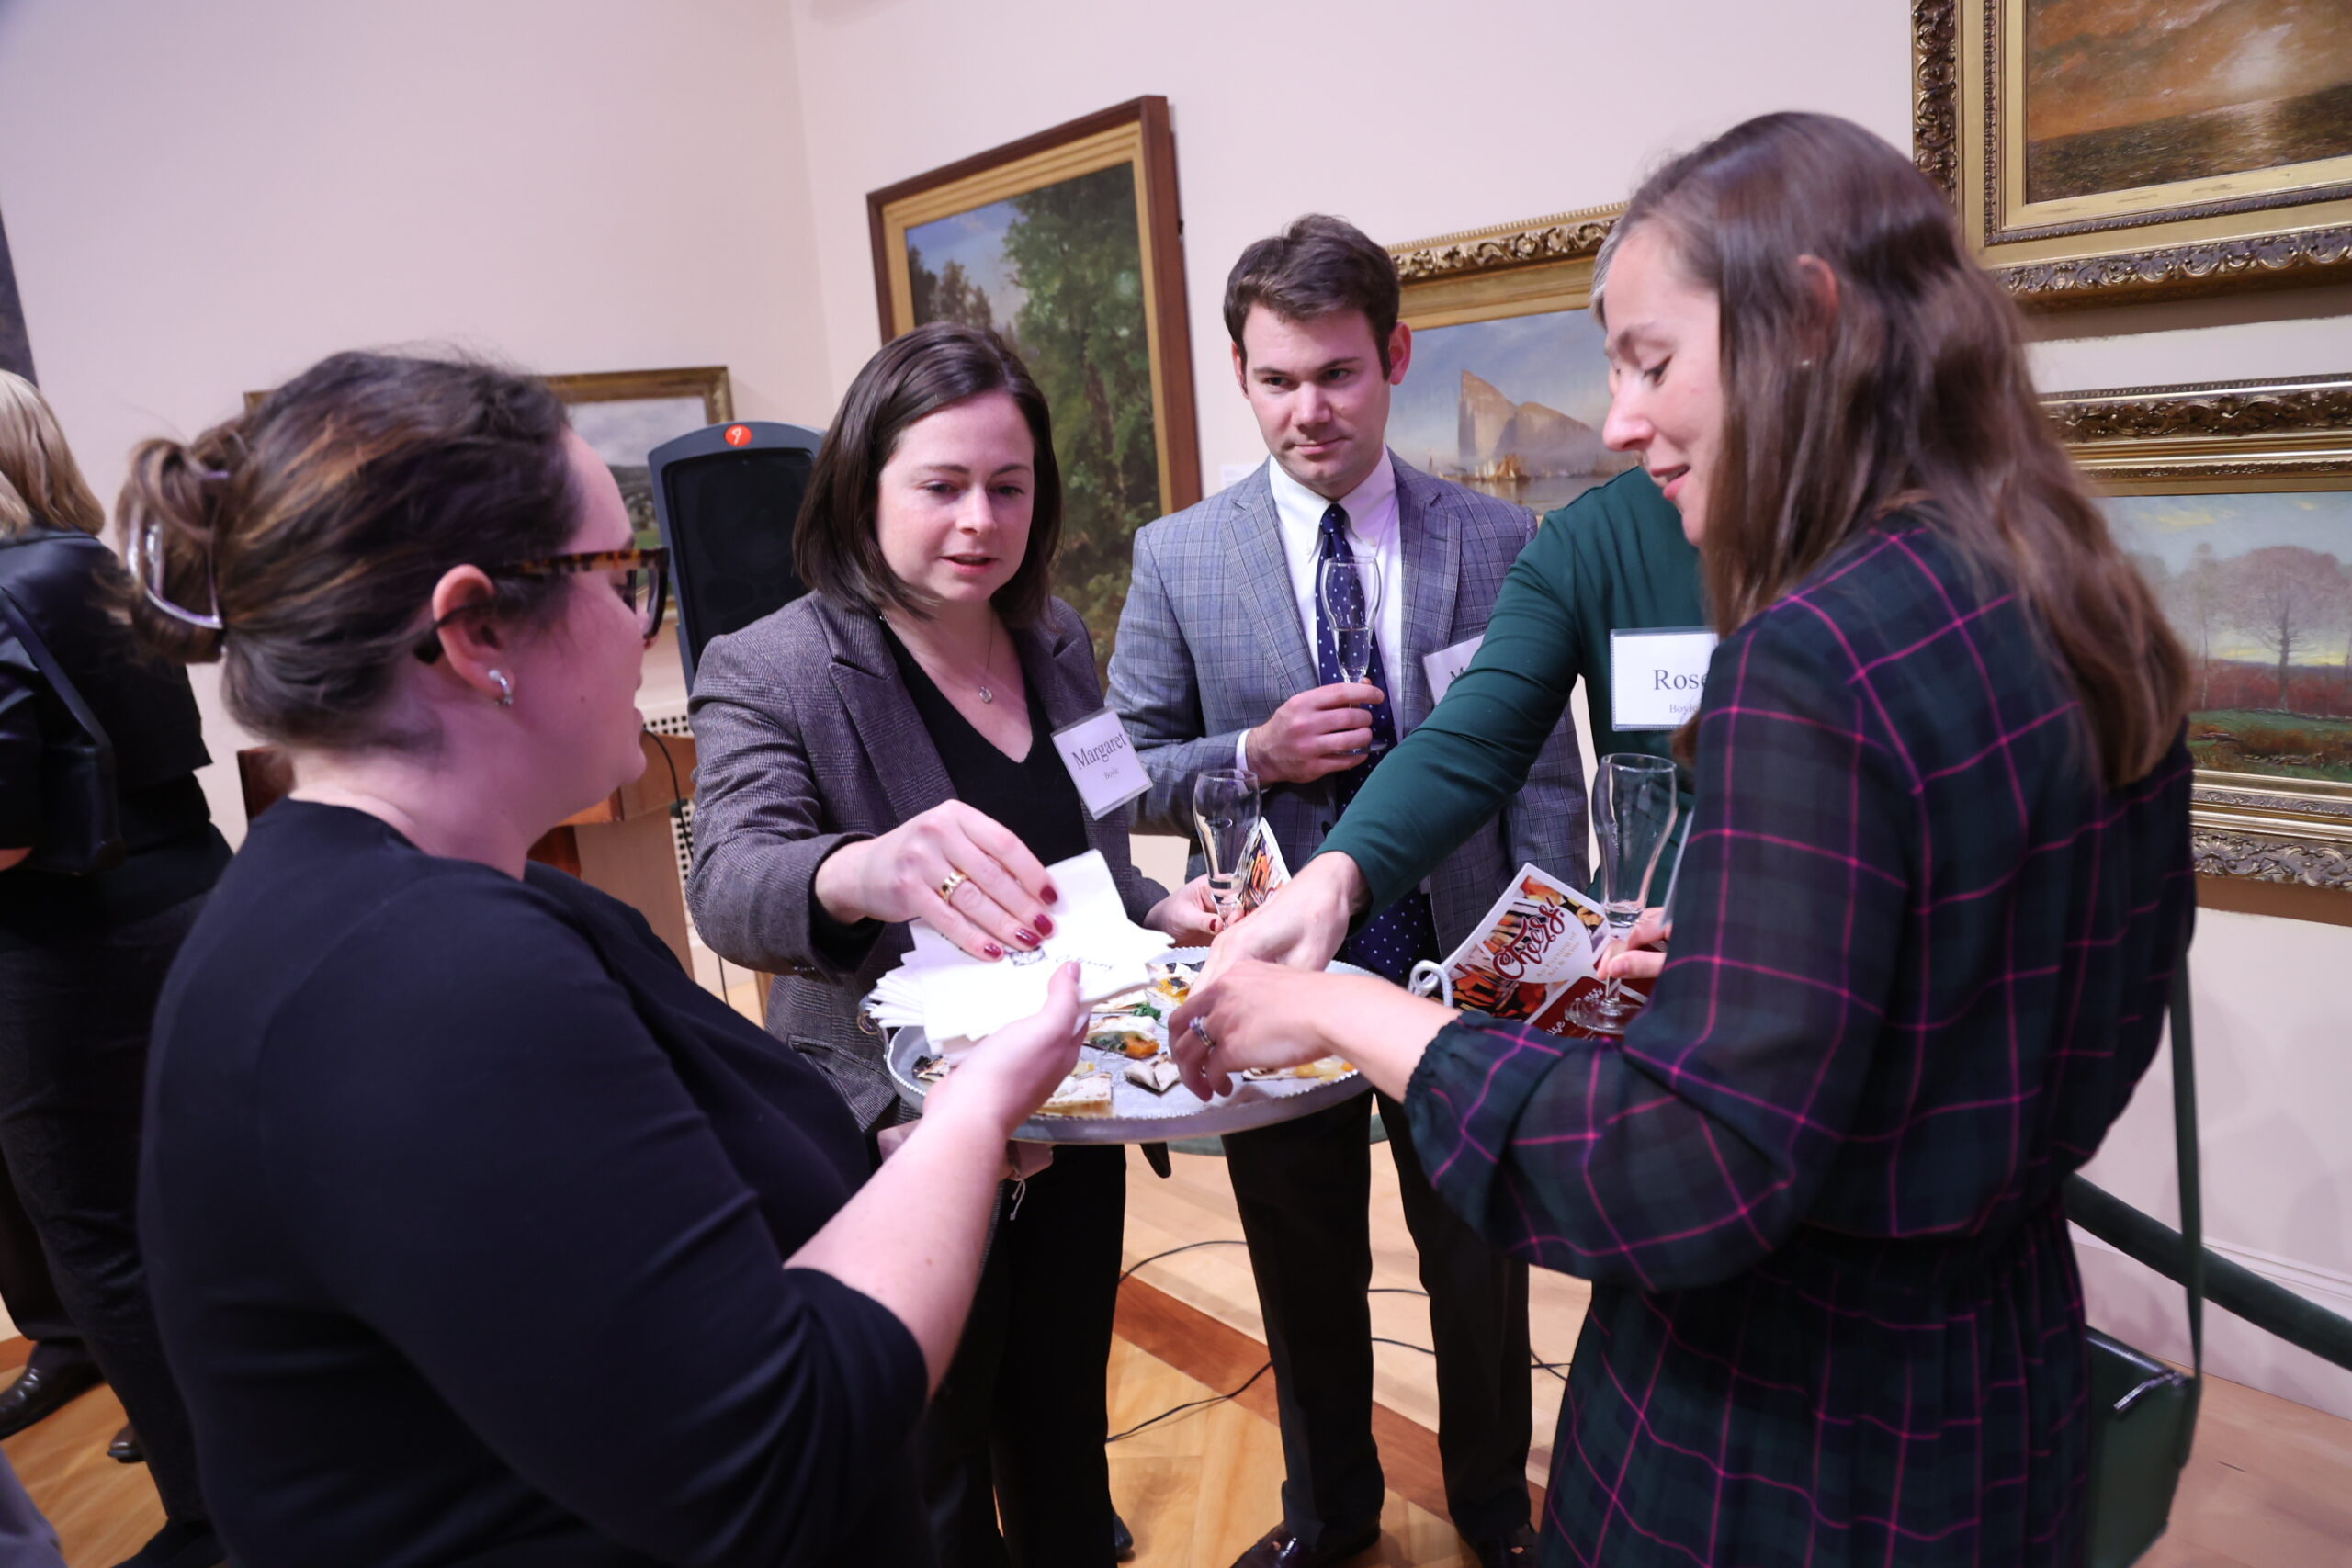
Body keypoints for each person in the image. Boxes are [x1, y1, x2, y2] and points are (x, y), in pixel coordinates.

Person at [1171, 112, 2195, 1567]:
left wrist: (1344, 1009)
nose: (1617, 421)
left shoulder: (1813, 656)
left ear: (1810, 325)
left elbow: (1673, 1176)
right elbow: (1983, 1003)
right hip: (1996, 1389)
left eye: (1651, 363)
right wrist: (1722, 970)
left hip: (1780, 1432)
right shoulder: (2085, 604)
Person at [134, 349, 1098, 1568]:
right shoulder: (424, 983)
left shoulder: (502, 910)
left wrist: (902, 1160)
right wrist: (971, 1119)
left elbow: (644, 1244)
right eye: (624, 578)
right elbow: (770, 1460)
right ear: (478, 631)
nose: (649, 624)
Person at [686, 321, 1214, 1568]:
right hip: (897, 1134)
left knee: (1063, 1429)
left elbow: (1083, 858)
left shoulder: (1056, 638)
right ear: (862, 487)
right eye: (941, 486)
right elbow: (730, 885)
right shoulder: (773, 666)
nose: (980, 520)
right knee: (933, 1472)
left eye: (1008, 486)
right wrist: (866, 868)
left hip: (1075, 1111)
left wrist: (1157, 908)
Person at [1105, 216, 1585, 1568]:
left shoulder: (1499, 538)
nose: (1306, 411)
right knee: (1301, 1264)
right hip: (1276, 980)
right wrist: (1248, 756)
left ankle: (1493, 1510)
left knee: (1479, 1266)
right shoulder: (1179, 557)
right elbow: (1118, 768)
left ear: (1395, 359)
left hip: (1458, 975)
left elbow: (1546, 774)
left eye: (1336, 375)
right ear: (1240, 375)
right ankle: (1330, 1517)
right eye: (1276, 381)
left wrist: (1547, 959)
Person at [0, 370, 226, 1568]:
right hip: (195, 901)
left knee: (99, 1238)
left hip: (62, 948)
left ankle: (209, 1518)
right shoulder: (97, 565)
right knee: (211, 1205)